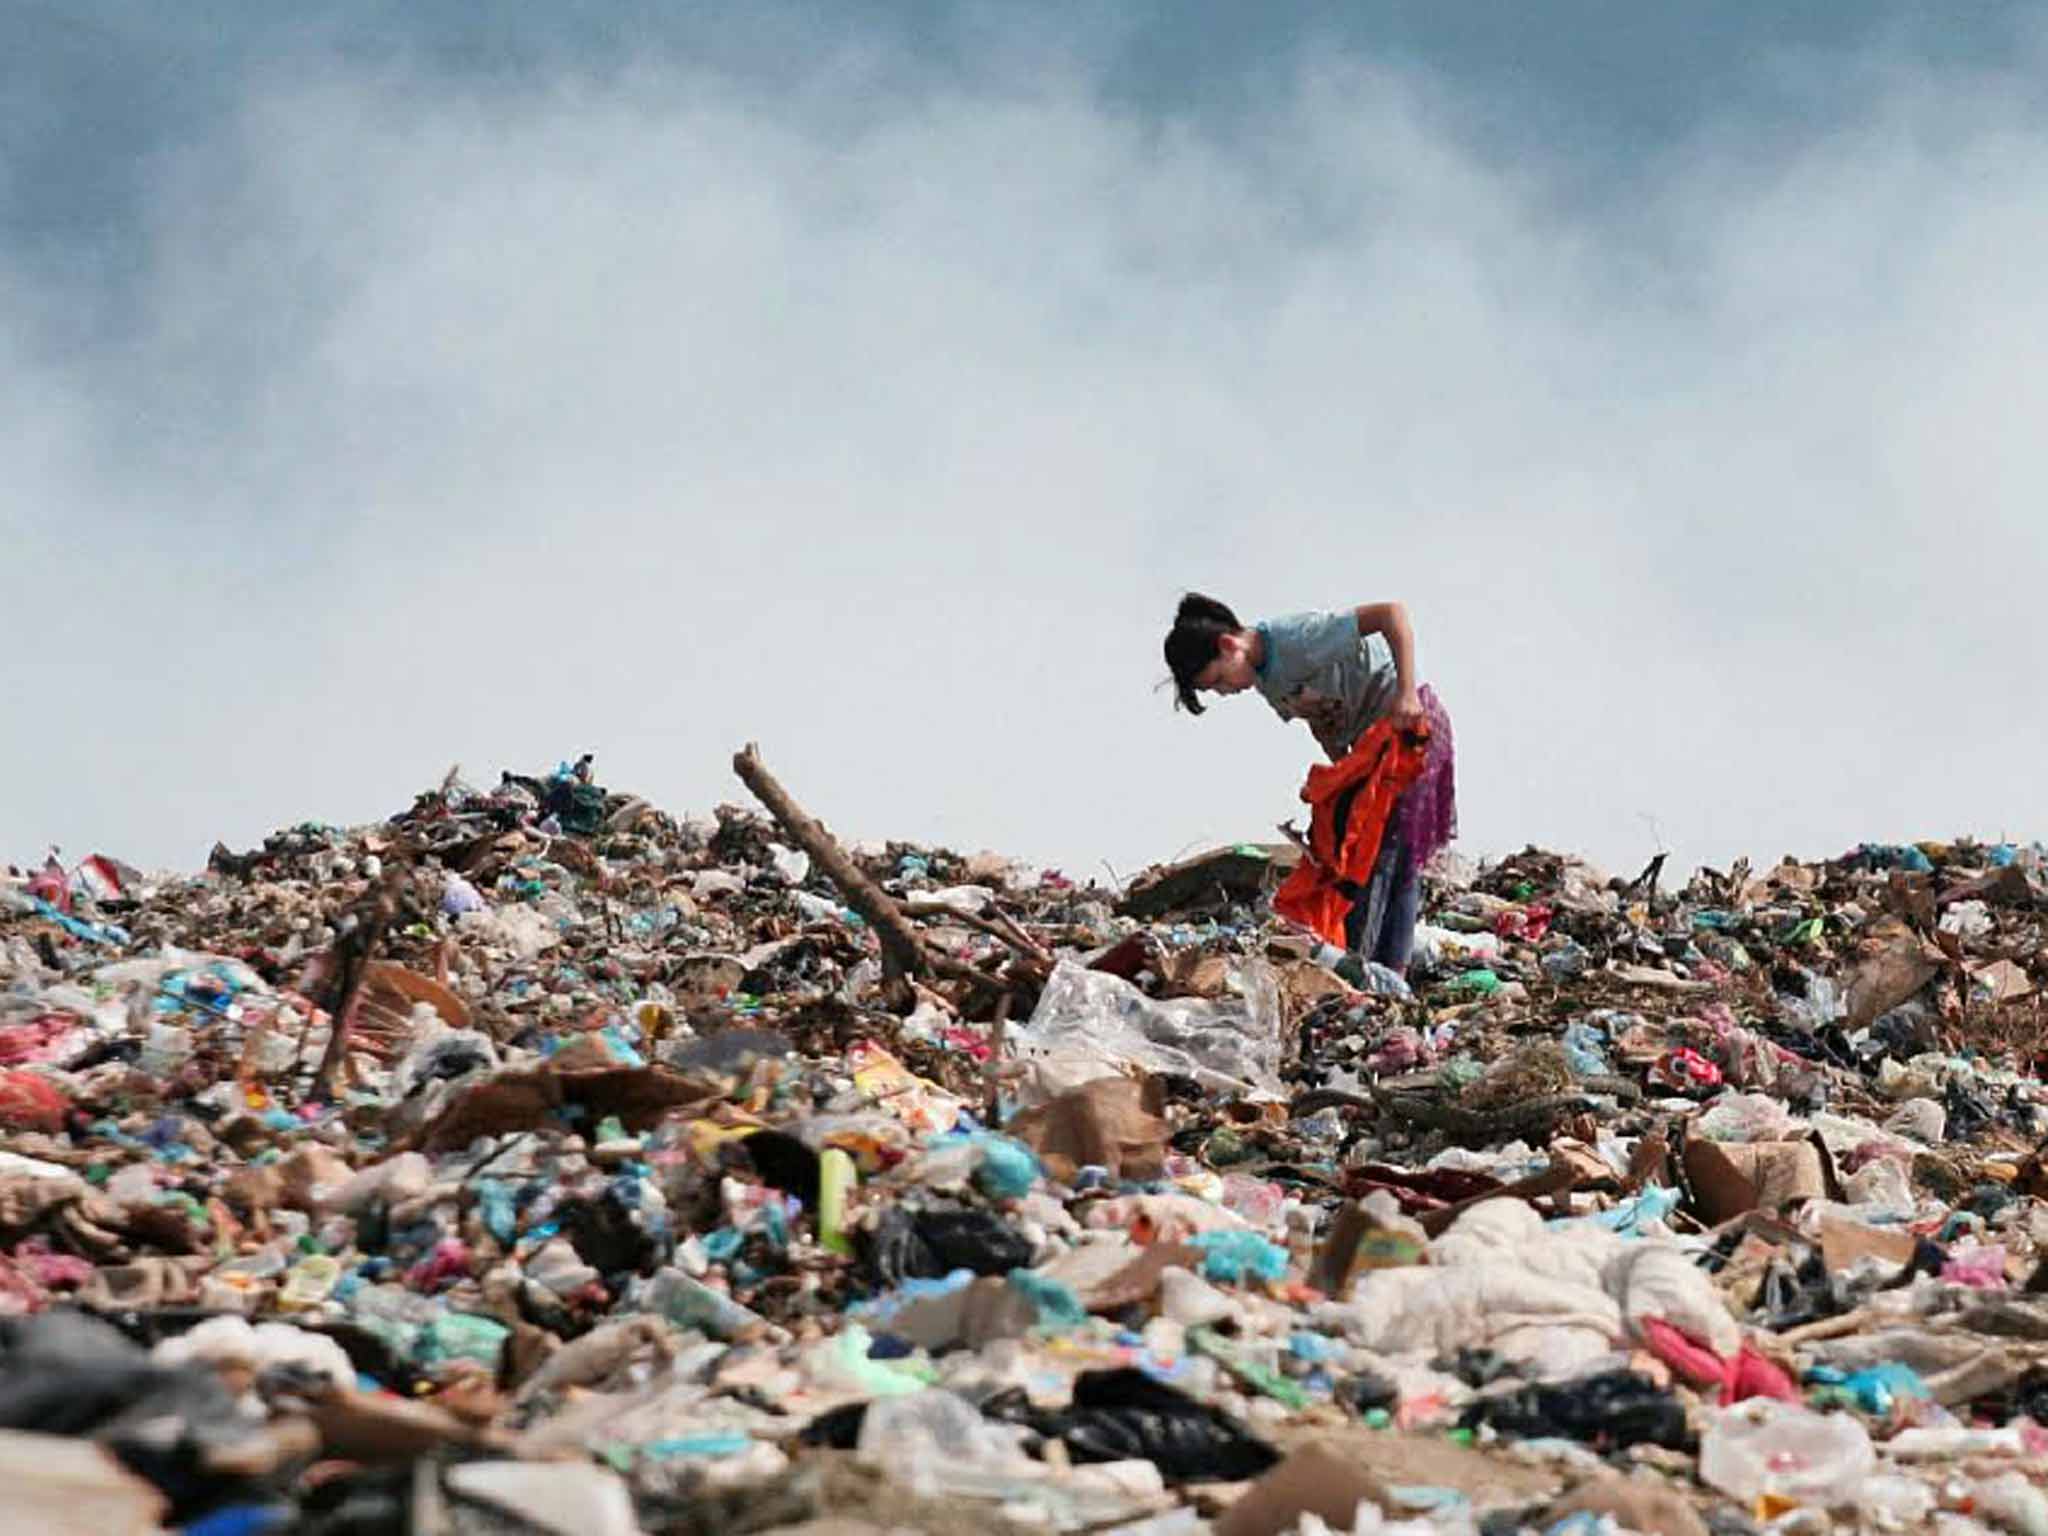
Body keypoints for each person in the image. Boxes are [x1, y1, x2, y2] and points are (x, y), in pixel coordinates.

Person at [1162, 593, 1456, 973]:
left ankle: (1375, 972)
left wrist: (1404, 694)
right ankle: (1376, 970)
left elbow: (1391, 614)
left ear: (1228, 644)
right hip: (1375, 752)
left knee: (1381, 859)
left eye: (1219, 679)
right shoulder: (1268, 682)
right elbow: (1322, 721)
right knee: (1363, 857)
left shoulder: (1296, 640)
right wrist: (1343, 776)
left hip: (1408, 733)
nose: (1225, 691)